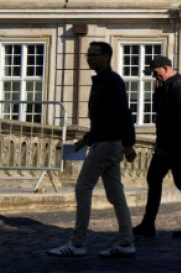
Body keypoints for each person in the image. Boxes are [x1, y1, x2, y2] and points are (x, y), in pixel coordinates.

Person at [48, 42, 137, 258]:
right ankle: (126, 241)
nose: (89, 58)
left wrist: (128, 144)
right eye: (88, 55)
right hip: (105, 141)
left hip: (107, 144)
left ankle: (77, 243)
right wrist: (86, 139)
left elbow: (123, 114)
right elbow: (102, 119)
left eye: (94, 55)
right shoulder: (101, 81)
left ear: (106, 57)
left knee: (83, 187)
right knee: (115, 194)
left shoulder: (112, 82)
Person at [133, 56, 181, 239]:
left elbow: (178, 115)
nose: (154, 76)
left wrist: (168, 143)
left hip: (177, 142)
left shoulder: (179, 86)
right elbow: (159, 110)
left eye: (156, 72)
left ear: (165, 68)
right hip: (169, 141)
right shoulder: (167, 86)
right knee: (157, 178)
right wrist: (158, 91)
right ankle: (149, 224)